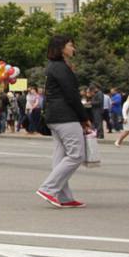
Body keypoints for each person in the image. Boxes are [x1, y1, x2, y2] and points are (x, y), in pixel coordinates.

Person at [36, 35, 93, 208]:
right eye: (70, 45)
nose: (73, 48)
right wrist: (84, 117)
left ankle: (64, 197)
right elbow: (72, 95)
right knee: (76, 154)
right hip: (65, 116)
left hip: (55, 116)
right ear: (61, 48)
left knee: (60, 155)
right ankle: (48, 188)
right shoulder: (61, 68)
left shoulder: (54, 67)